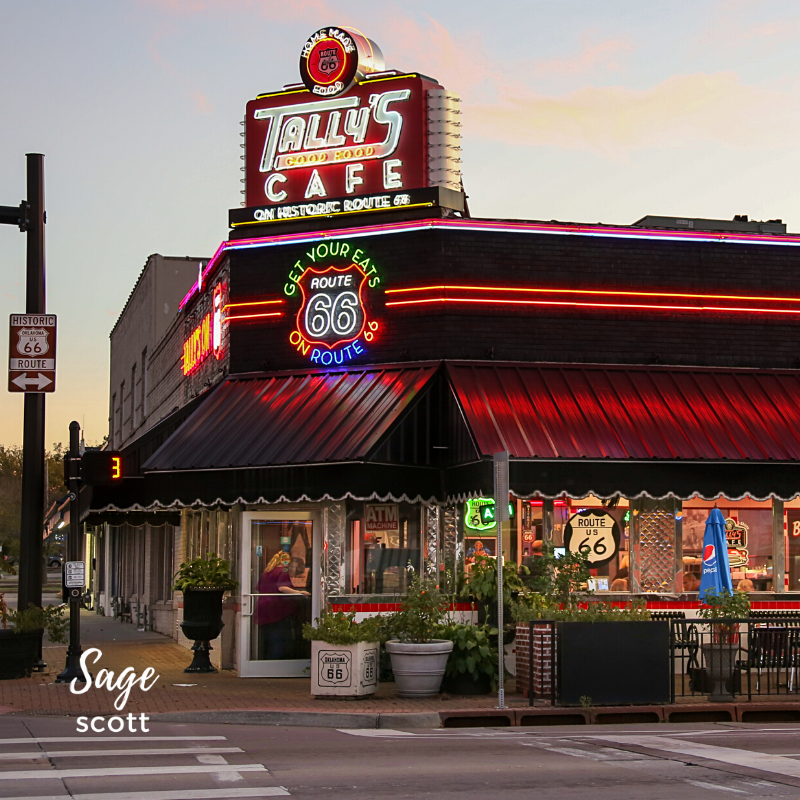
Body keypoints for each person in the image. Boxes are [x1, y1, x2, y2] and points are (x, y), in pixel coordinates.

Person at [254, 552, 310, 660]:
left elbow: (259, 587)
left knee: (268, 637)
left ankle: (267, 661)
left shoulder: (266, 572)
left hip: (263, 608)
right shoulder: (283, 571)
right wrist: (300, 593)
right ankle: (277, 662)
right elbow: (282, 587)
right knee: (279, 637)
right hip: (277, 609)